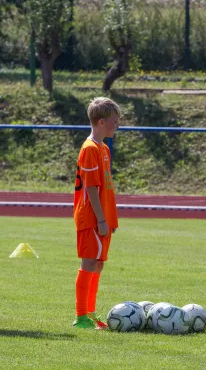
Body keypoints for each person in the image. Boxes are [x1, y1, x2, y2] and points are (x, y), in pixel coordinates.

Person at [72, 97, 120, 329]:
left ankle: (90, 314)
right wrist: (100, 218)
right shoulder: (90, 148)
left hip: (104, 217)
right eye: (114, 121)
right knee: (89, 262)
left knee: (98, 264)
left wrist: (109, 218)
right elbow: (91, 188)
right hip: (91, 217)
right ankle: (80, 316)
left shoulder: (103, 148)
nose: (117, 125)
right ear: (101, 122)